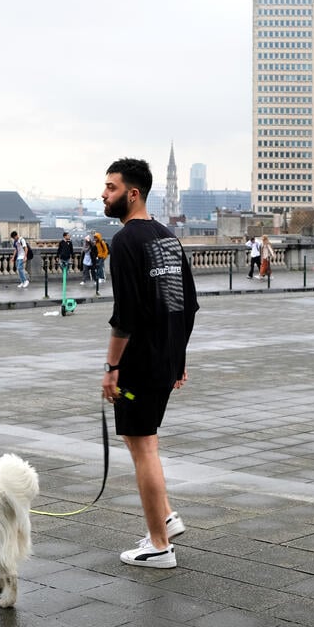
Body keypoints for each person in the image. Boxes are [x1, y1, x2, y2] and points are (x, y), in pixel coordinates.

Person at [100, 158, 198, 569]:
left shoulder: (125, 242)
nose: (103, 194)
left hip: (140, 362)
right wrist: (178, 360)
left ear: (132, 193)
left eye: (110, 187)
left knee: (143, 449)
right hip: (164, 359)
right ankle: (167, 518)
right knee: (144, 442)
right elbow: (186, 306)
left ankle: (159, 546)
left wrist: (111, 368)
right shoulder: (167, 238)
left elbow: (127, 315)